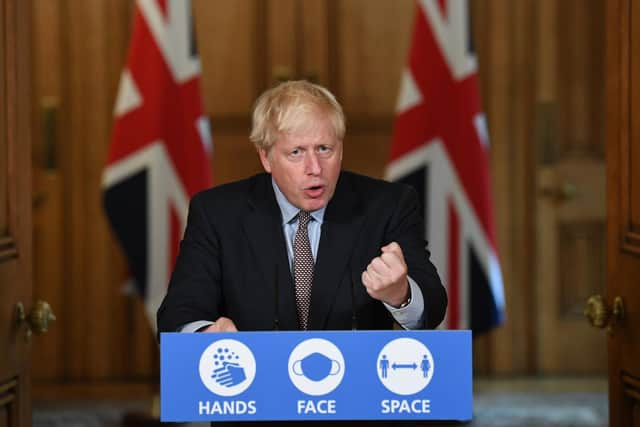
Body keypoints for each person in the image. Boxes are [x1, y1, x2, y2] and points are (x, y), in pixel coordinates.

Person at [157, 80, 446, 426]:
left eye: (325, 149)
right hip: (256, 408)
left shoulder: (388, 206)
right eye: (296, 152)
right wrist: (205, 336)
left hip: (356, 409)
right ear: (266, 157)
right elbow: (177, 313)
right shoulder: (217, 213)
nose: (314, 168)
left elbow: (433, 305)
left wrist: (400, 294)